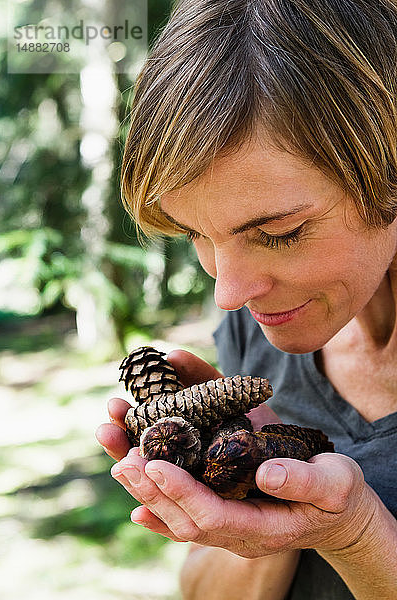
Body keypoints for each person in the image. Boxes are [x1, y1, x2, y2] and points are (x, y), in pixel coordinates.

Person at [95, 0, 397, 598]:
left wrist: (358, 537)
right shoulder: (260, 329)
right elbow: (203, 590)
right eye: (197, 234)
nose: (229, 293)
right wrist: (256, 499)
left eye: (279, 233)